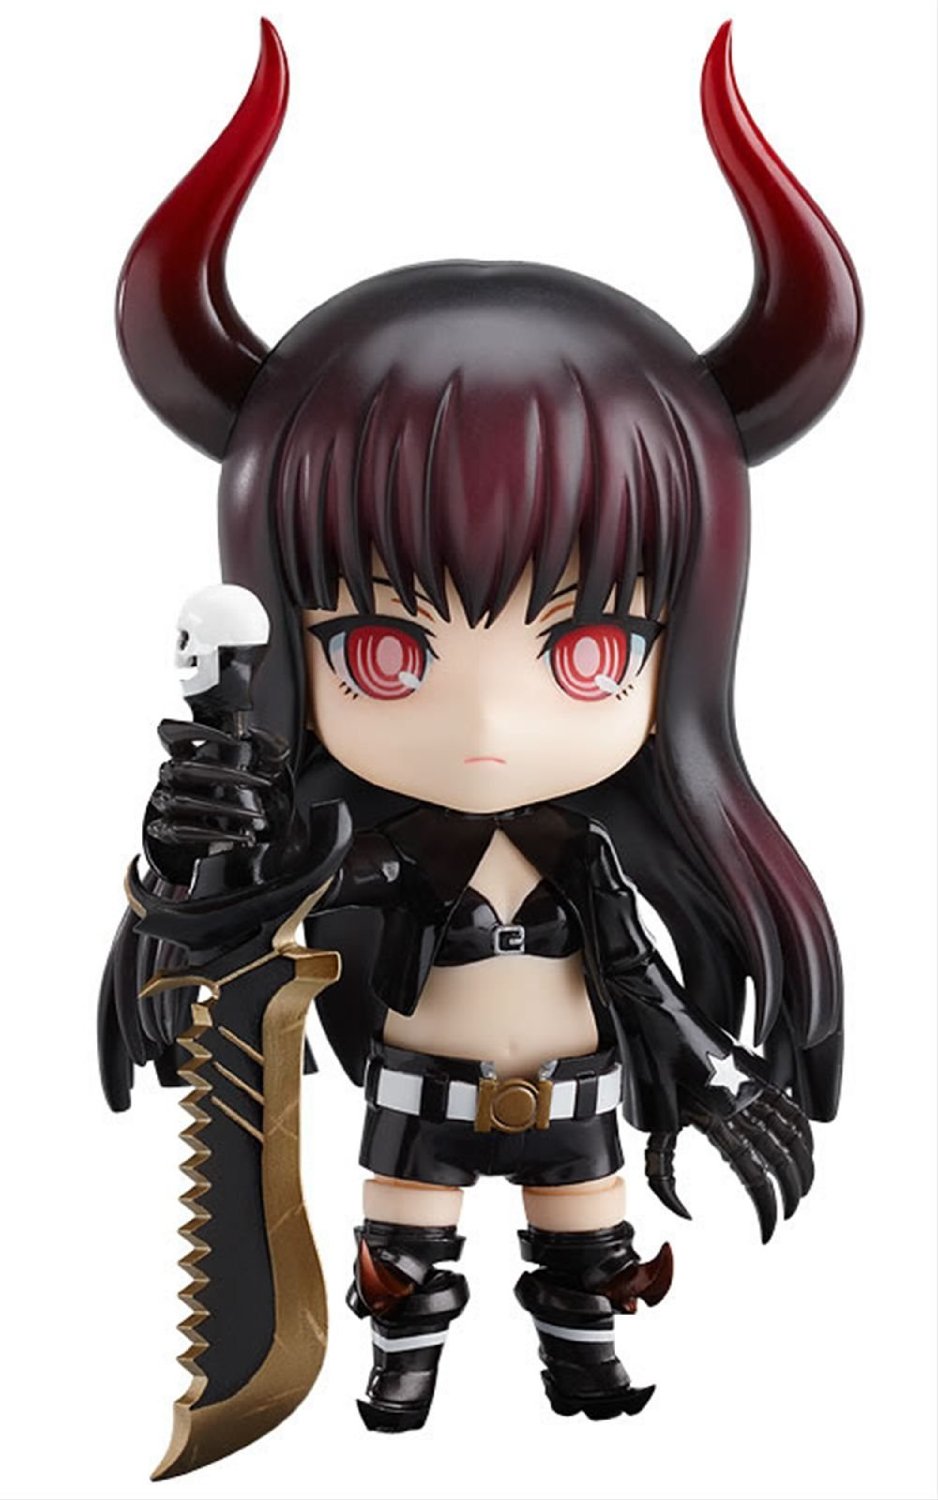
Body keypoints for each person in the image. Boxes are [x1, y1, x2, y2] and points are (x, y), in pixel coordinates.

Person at [98, 17, 861, 1465]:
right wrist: (197, 854)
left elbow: (636, 979)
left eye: (584, 652)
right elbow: (229, 931)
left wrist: (706, 1071)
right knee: (406, 1256)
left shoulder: (586, 862)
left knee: (590, 1249)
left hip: (573, 1096)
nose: (492, 725)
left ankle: (587, 1361)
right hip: (417, 1096)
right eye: (388, 653)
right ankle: (402, 1374)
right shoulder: (355, 855)